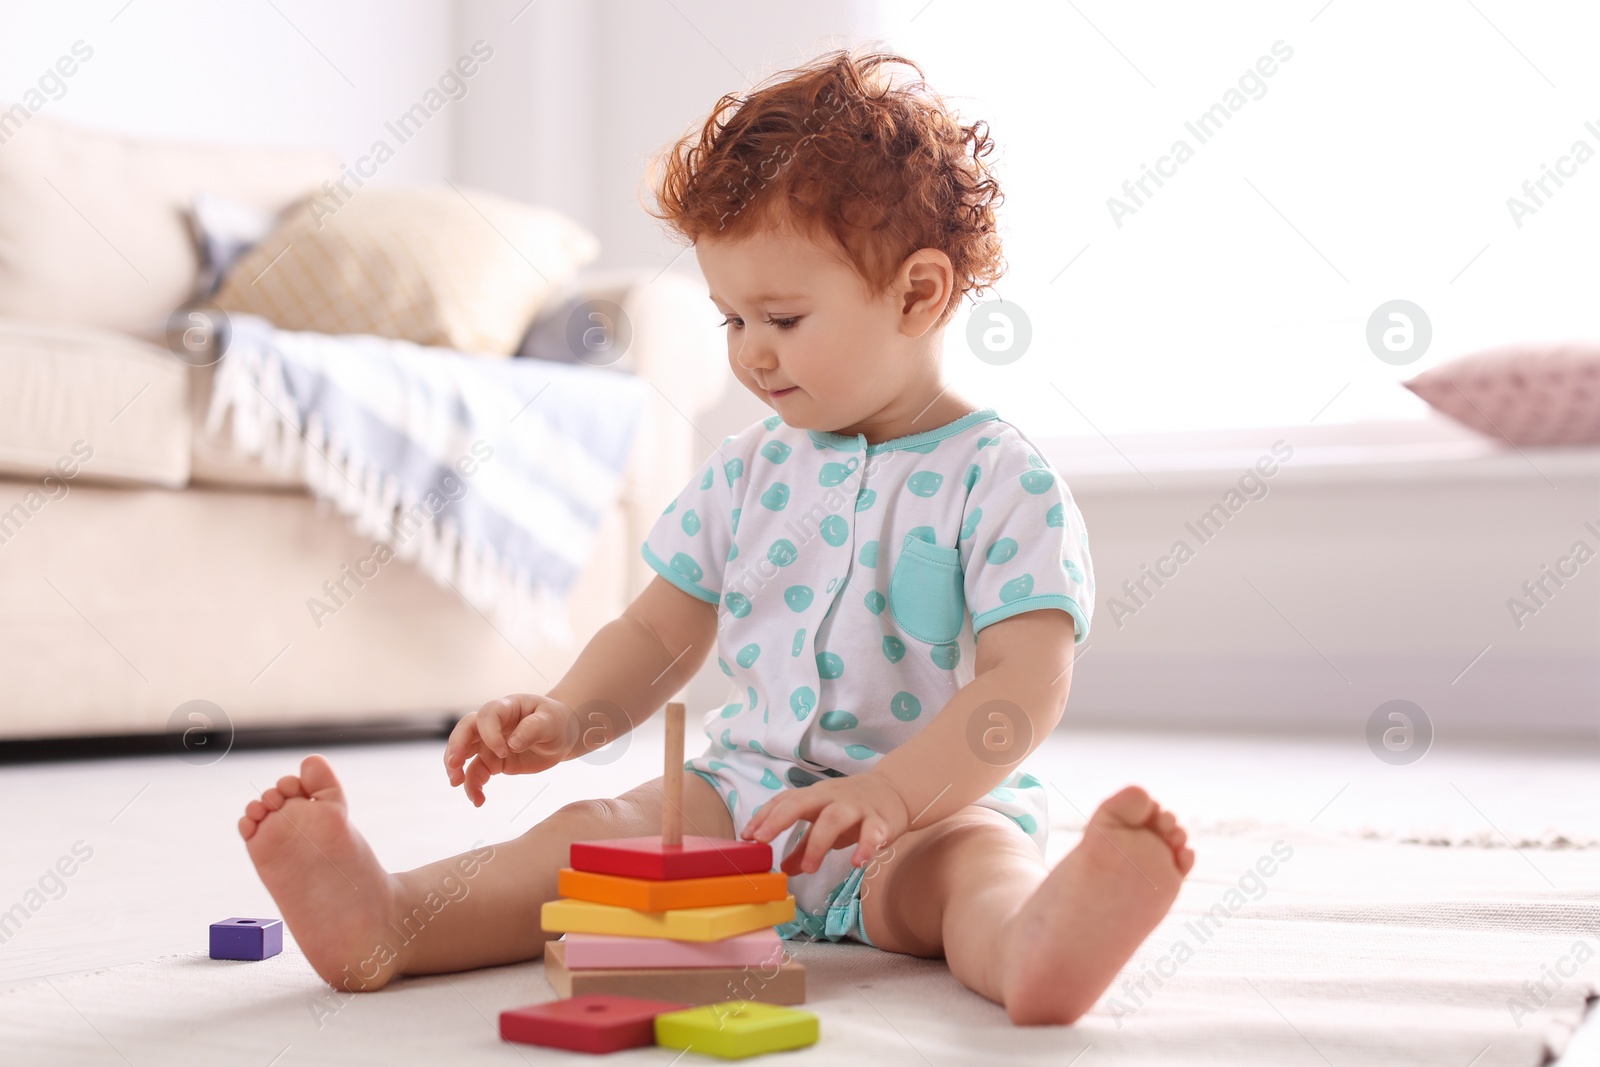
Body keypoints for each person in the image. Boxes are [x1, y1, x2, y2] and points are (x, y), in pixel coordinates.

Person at [239, 45, 1193, 1025]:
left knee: (974, 878)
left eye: (780, 315)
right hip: (744, 798)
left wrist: (897, 794)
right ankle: (392, 917)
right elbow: (657, 635)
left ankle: (1034, 944)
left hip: (929, 814)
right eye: (729, 318)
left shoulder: (1001, 481)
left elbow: (1022, 686)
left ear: (917, 294)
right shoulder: (749, 469)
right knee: (596, 830)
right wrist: (570, 715)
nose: (750, 351)